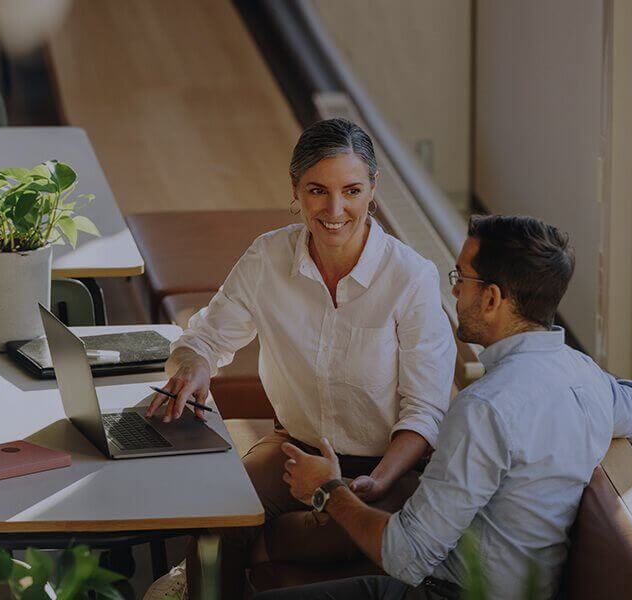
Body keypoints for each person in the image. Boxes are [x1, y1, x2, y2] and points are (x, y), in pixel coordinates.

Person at [260, 215, 632, 600]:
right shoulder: (584, 376)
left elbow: (406, 556)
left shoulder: (485, 407)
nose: (454, 291)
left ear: (491, 298)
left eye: (461, 278)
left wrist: (328, 489)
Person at [154, 118, 457, 597]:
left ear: (373, 189)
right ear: (295, 188)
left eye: (352, 190)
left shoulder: (411, 279)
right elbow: (208, 337)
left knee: (361, 524)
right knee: (219, 508)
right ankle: (212, 575)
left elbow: (424, 412)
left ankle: (256, 549)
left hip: (385, 468)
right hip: (295, 450)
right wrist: (195, 364)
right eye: (318, 190)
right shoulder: (267, 257)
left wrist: (372, 485)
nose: (336, 210)